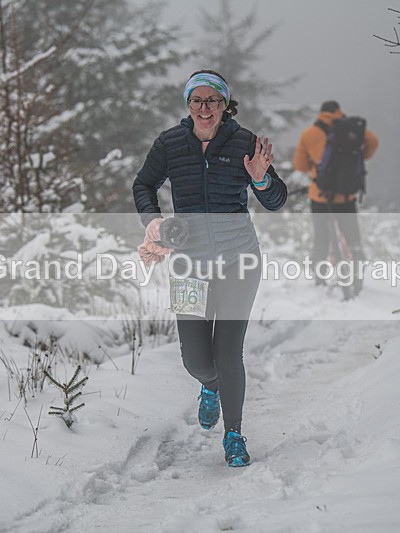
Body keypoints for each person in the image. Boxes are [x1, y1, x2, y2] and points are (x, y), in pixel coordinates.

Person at [132, 70, 287, 467]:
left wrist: (262, 179)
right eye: (197, 101)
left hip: (239, 261)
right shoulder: (169, 143)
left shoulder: (245, 142)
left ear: (224, 105)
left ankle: (234, 435)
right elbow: (143, 185)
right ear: (188, 104)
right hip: (188, 264)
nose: (205, 108)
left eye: (212, 101)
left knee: (228, 351)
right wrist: (153, 221)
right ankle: (211, 386)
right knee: (197, 361)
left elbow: (277, 200)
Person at [293, 100, 379, 290]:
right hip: (346, 196)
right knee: (352, 237)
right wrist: (357, 158)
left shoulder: (309, 133)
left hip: (320, 196)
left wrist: (317, 168)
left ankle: (320, 280)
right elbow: (373, 142)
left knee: (322, 238)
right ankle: (356, 276)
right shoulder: (351, 130)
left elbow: (300, 165)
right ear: (338, 111)